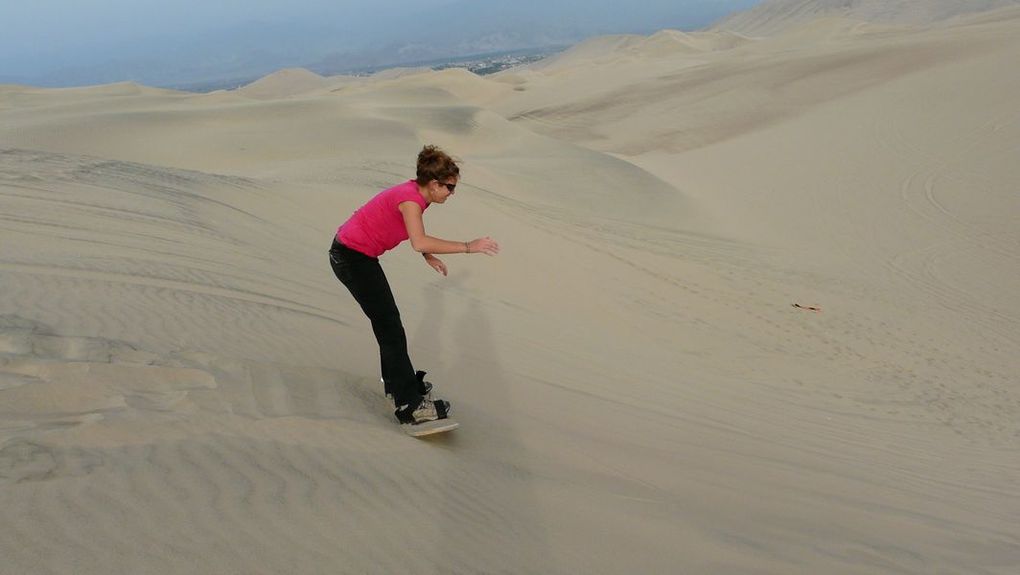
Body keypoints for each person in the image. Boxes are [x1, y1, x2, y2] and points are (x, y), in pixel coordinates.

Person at [328, 145, 500, 427]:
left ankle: (398, 388)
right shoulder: (411, 199)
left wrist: (428, 254)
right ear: (433, 184)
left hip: (358, 256)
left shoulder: (418, 196)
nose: (451, 193)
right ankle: (409, 405)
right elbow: (418, 239)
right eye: (449, 187)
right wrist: (469, 246)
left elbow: (412, 233)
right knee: (390, 326)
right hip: (350, 257)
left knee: (389, 325)